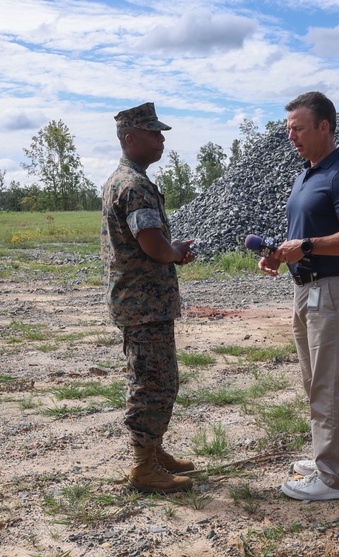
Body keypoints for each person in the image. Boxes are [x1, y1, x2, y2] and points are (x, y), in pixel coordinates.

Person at [257, 91, 339, 501]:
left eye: (299, 128)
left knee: (326, 384)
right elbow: (305, 236)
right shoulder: (308, 174)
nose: (292, 136)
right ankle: (331, 458)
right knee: (315, 382)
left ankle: (331, 479)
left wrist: (305, 246)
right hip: (307, 289)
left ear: (324, 126)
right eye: (288, 129)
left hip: (333, 290)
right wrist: (279, 255)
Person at [101, 102, 198, 494]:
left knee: (160, 379)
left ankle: (153, 452)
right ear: (130, 138)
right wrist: (176, 252)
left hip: (141, 302)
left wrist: (170, 250)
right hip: (143, 304)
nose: (161, 139)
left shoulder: (126, 179)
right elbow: (153, 246)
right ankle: (143, 467)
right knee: (151, 383)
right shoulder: (134, 185)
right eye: (154, 133)